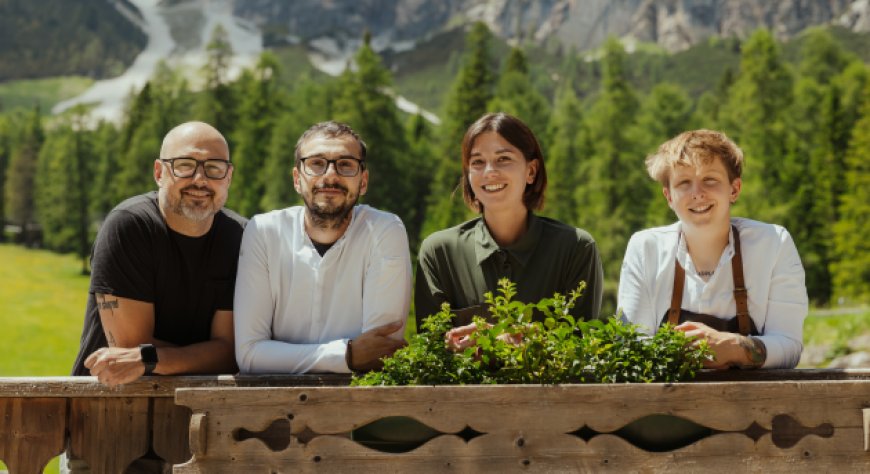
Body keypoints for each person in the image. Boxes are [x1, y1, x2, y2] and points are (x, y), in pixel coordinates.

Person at [67, 121, 245, 472]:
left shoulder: (239, 237)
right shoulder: (129, 226)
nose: (200, 180)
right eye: (185, 166)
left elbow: (230, 351)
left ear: (228, 177)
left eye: (213, 168)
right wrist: (193, 355)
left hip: (195, 434)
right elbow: (129, 350)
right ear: (159, 171)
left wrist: (151, 357)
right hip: (109, 425)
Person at [617, 129, 808, 369]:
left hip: (755, 405)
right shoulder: (645, 249)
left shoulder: (774, 244)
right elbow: (629, 348)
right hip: (666, 404)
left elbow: (790, 347)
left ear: (734, 189)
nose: (697, 194)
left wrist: (735, 347)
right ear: (669, 196)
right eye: (684, 183)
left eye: (710, 180)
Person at [234, 121, 410, 374]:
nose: (330, 175)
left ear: (363, 181)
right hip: (274, 405)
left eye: (345, 164)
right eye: (316, 163)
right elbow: (249, 355)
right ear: (297, 179)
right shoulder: (263, 232)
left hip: (361, 405)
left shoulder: (385, 230)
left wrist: (280, 356)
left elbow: (377, 353)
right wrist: (347, 355)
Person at [415, 112, 604, 345]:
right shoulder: (438, 253)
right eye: (477, 162)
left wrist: (506, 341)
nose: (489, 171)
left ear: (531, 171)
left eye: (503, 159)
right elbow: (428, 355)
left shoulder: (576, 248)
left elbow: (582, 349)